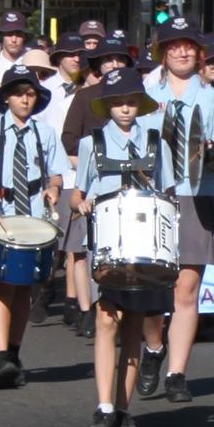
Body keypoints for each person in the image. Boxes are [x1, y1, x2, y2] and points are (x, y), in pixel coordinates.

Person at [138, 17, 214, 403]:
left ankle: (177, 373)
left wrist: (211, 151)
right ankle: (152, 348)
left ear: (199, 53)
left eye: (189, 46)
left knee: (186, 288)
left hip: (198, 195)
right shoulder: (144, 94)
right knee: (153, 286)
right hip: (155, 196)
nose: (181, 51)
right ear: (162, 53)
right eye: (173, 45)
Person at [72, 68, 176, 427]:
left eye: (131, 102)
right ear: (107, 106)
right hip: (106, 244)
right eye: (117, 102)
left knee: (133, 325)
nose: (125, 109)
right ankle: (102, 404)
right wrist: (80, 203)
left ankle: (122, 407)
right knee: (105, 318)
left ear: (140, 105)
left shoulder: (155, 141)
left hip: (145, 246)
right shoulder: (92, 143)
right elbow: (77, 192)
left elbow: (169, 194)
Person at [0, 64, 70, 389]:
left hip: (34, 216)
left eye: (30, 93)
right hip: (1, 216)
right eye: (18, 93)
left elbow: (57, 172)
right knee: (2, 286)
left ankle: (14, 352)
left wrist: (54, 188)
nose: (24, 99)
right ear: (6, 98)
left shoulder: (44, 132)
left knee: (25, 288)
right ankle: (1, 356)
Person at [61, 38, 134, 329]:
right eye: (107, 60)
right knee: (85, 248)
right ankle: (87, 308)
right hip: (91, 184)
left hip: (130, 187)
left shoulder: (137, 98)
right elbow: (68, 140)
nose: (114, 64)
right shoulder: (85, 96)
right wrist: (92, 166)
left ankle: (124, 310)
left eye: (120, 59)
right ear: (98, 65)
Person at [34, 34, 88, 328]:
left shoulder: (88, 88)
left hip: (79, 173)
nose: (75, 59)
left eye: (79, 53)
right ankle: (44, 288)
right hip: (54, 172)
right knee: (52, 239)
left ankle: (73, 302)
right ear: (57, 59)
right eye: (69, 54)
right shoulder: (46, 91)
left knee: (75, 242)